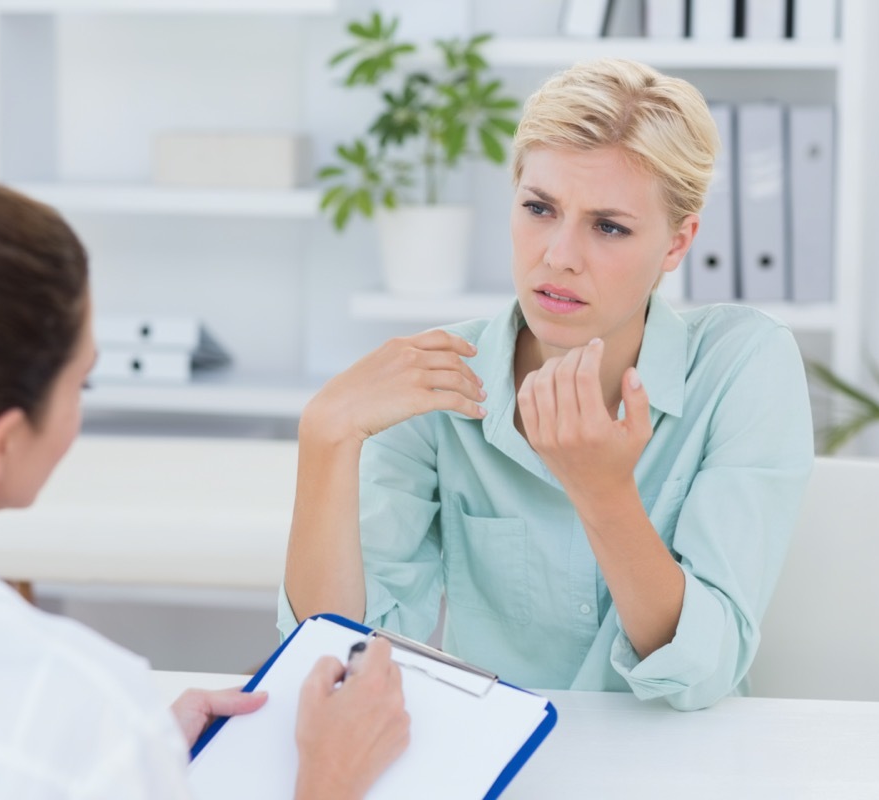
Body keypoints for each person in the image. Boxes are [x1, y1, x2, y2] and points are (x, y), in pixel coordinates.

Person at [0, 176, 409, 798]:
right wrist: (330, 778)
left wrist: (120, 763)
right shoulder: (76, 703)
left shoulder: (85, 720)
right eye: (80, 383)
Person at [280, 58, 814, 711]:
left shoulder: (741, 365)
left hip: (679, 764)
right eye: (539, 208)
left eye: (609, 226)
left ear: (677, 244)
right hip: (499, 755)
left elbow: (703, 673)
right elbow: (340, 657)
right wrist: (325, 438)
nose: (559, 254)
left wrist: (602, 490)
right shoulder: (438, 378)